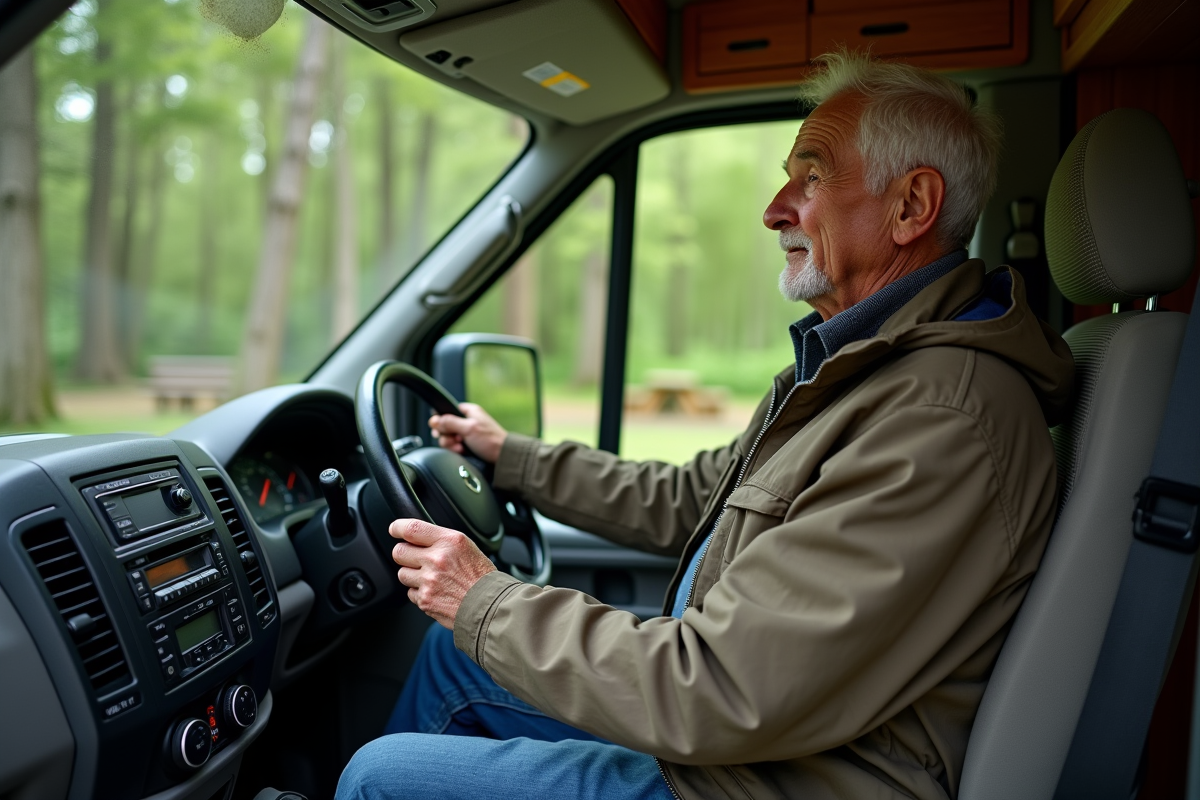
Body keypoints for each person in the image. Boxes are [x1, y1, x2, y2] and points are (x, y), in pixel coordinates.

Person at [336, 50, 1074, 800]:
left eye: (812, 177)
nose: (776, 207)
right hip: (750, 745)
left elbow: (720, 689)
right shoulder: (868, 367)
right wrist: (512, 458)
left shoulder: (939, 418)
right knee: (451, 658)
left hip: (780, 778)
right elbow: (692, 498)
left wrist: (484, 598)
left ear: (912, 206)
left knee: (377, 778)